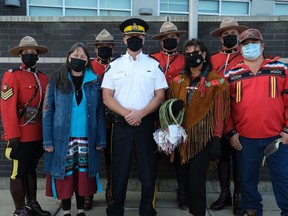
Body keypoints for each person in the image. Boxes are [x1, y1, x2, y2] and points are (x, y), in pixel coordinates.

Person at [101, 18, 168, 216]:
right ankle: (115, 210)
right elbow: (107, 97)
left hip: (146, 125)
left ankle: (147, 210)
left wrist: (140, 114)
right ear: (124, 40)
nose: (134, 40)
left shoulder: (153, 64)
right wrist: (128, 115)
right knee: (119, 172)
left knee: (148, 172)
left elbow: (160, 95)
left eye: (138, 37)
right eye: (131, 37)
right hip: (121, 126)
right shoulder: (114, 65)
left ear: (144, 39)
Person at [225, 28, 288, 216]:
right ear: (239, 48)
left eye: (254, 42)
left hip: (277, 139)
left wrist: (287, 130)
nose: (249, 46)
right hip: (245, 141)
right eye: (245, 43)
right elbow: (223, 108)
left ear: (262, 45)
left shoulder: (281, 69)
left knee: (284, 182)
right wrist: (231, 132)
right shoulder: (230, 75)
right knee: (247, 186)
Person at [42, 42, 106, 216]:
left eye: (82, 57)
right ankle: (66, 211)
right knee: (66, 177)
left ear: (87, 61)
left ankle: (80, 211)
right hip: (63, 139)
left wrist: (100, 139)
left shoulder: (94, 81)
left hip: (87, 138)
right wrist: (47, 140)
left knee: (82, 178)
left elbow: (100, 112)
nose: (78, 59)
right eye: (75, 56)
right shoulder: (57, 78)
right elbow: (48, 111)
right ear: (69, 57)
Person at [169, 38, 229, 216]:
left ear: (204, 54)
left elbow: (219, 113)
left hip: (204, 139)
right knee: (185, 181)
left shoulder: (217, 82)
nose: (191, 57)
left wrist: (217, 139)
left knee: (196, 182)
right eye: (187, 54)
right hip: (181, 139)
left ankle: (198, 213)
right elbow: (169, 109)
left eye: (195, 53)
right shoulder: (177, 81)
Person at [0, 36, 51, 216]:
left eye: (33, 52)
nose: (30, 55)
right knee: (18, 172)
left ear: (38, 55)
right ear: (20, 55)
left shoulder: (43, 78)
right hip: (20, 134)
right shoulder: (12, 75)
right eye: (26, 52)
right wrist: (12, 135)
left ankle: (32, 205)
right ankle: (19, 210)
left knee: (31, 169)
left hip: (37, 134)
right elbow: (7, 108)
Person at [209, 17, 248, 215]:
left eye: (233, 34)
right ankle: (225, 193)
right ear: (220, 38)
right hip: (218, 116)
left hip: (241, 114)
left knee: (239, 156)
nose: (229, 37)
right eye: (226, 34)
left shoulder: (246, 57)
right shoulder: (213, 60)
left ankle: (239, 195)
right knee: (222, 157)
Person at [151, 21, 188, 208]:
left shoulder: (185, 60)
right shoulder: (152, 59)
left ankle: (183, 192)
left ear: (178, 39)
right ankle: (150, 194)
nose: (169, 41)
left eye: (172, 37)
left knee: (180, 155)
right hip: (154, 112)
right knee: (153, 156)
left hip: (178, 114)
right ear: (160, 41)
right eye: (166, 38)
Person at [84, 29, 116, 210]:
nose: (104, 49)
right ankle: (88, 193)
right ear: (96, 49)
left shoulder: (118, 65)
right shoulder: (88, 67)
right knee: (90, 158)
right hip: (93, 121)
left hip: (112, 121)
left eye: (108, 47)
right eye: (101, 47)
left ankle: (111, 191)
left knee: (112, 160)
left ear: (112, 48)